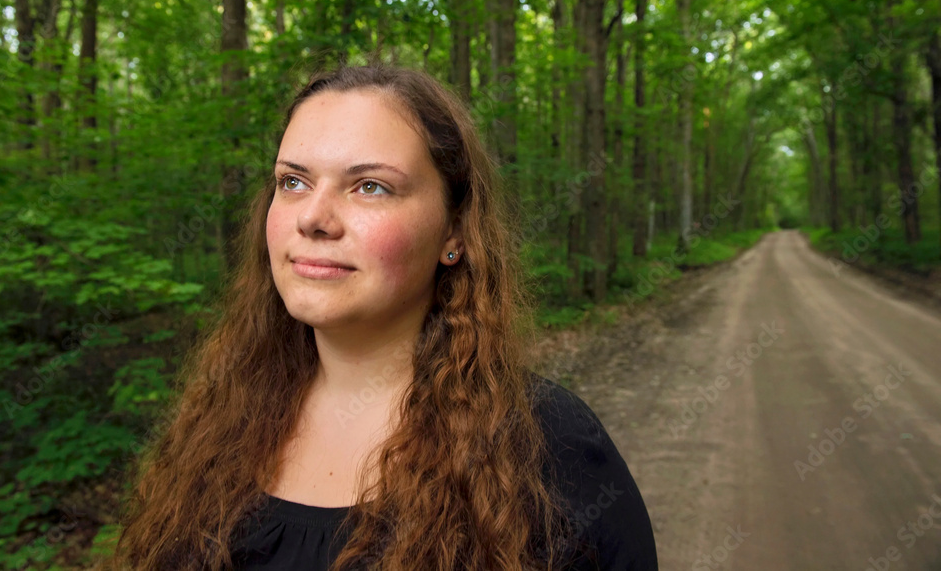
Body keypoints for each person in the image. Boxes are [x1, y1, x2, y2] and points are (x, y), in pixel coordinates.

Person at [107, 64, 657, 571]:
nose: (313, 218)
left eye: (369, 186)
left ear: (454, 231)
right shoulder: (219, 424)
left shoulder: (550, 449)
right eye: (293, 181)